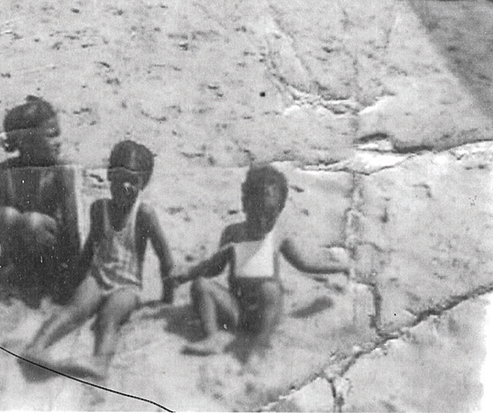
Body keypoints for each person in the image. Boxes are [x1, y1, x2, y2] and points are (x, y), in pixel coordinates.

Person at [24, 140, 174, 380]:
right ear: (109, 176)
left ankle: (100, 363)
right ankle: (37, 346)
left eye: (133, 181)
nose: (124, 186)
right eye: (119, 178)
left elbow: (165, 257)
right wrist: (73, 281)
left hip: (127, 286)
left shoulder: (144, 215)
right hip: (98, 276)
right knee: (75, 309)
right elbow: (88, 251)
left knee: (110, 318)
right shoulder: (99, 209)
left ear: (143, 183)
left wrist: (168, 298)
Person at [169, 164, 349, 360]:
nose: (262, 222)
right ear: (245, 204)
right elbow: (214, 269)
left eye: (270, 215)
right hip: (236, 309)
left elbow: (304, 263)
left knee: (270, 289)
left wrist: (340, 267)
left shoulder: (278, 236)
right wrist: (188, 274)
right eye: (256, 214)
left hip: (265, 313)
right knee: (201, 286)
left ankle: (261, 343)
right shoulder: (233, 234)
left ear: (279, 211)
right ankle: (212, 336)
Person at [0, 96, 81, 301]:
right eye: (51, 136)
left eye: (58, 135)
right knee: (4, 216)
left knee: (32, 221)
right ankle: (23, 273)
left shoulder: (60, 171)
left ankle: (49, 278)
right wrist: (4, 263)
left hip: (56, 251)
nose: (58, 142)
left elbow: (72, 227)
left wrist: (74, 273)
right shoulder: (1, 174)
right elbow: (6, 232)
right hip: (25, 251)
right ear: (25, 140)